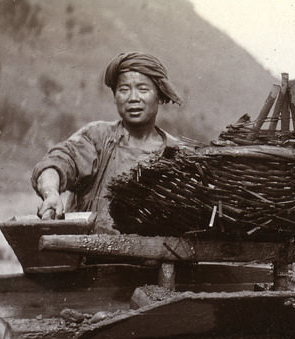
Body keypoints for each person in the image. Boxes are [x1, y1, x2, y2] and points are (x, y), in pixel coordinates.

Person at [32, 52, 188, 233]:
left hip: (155, 258)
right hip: (90, 257)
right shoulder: (97, 138)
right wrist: (51, 193)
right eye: (124, 90)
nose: (133, 97)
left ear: (160, 96)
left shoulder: (178, 154)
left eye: (143, 89)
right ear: (115, 97)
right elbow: (59, 160)